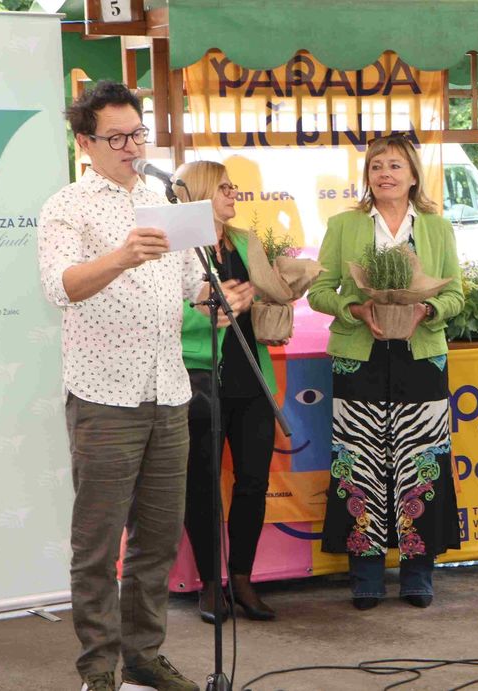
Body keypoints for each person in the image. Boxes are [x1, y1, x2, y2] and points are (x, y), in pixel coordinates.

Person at [37, 81, 250, 691]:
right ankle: (98, 669)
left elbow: (187, 284)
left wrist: (218, 298)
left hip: (171, 393)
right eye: (117, 137)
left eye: (138, 133)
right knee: (98, 544)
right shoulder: (66, 206)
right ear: (85, 143)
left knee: (156, 541)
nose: (133, 146)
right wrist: (123, 256)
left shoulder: (164, 199)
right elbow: (60, 287)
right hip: (104, 397)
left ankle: (143, 656)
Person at [308, 133, 464, 610]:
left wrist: (426, 310)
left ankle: (418, 572)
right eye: (376, 166)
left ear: (414, 175)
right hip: (359, 356)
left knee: (422, 459)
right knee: (359, 461)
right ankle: (366, 573)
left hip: (422, 357)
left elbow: (456, 295)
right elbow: (319, 292)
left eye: (395, 165)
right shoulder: (344, 225)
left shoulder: (436, 228)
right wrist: (355, 309)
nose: (385, 174)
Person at [174, 161, 281, 625]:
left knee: (253, 482)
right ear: (200, 193)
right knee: (201, 486)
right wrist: (211, 312)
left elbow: (266, 295)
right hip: (200, 381)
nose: (233, 192)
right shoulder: (179, 246)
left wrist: (268, 299)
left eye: (233, 186)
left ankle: (241, 578)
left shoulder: (246, 241)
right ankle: (209, 584)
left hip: (251, 379)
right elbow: (167, 311)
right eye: (223, 187)